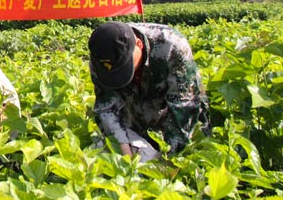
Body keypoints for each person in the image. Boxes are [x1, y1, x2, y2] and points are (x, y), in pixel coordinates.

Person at [88, 22, 210, 161]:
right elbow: (106, 105)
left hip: (172, 115)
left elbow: (184, 107)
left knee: (189, 155)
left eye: (126, 66)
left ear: (139, 44)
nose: (125, 74)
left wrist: (169, 159)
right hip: (134, 112)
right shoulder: (101, 56)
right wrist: (122, 145)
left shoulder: (171, 46)